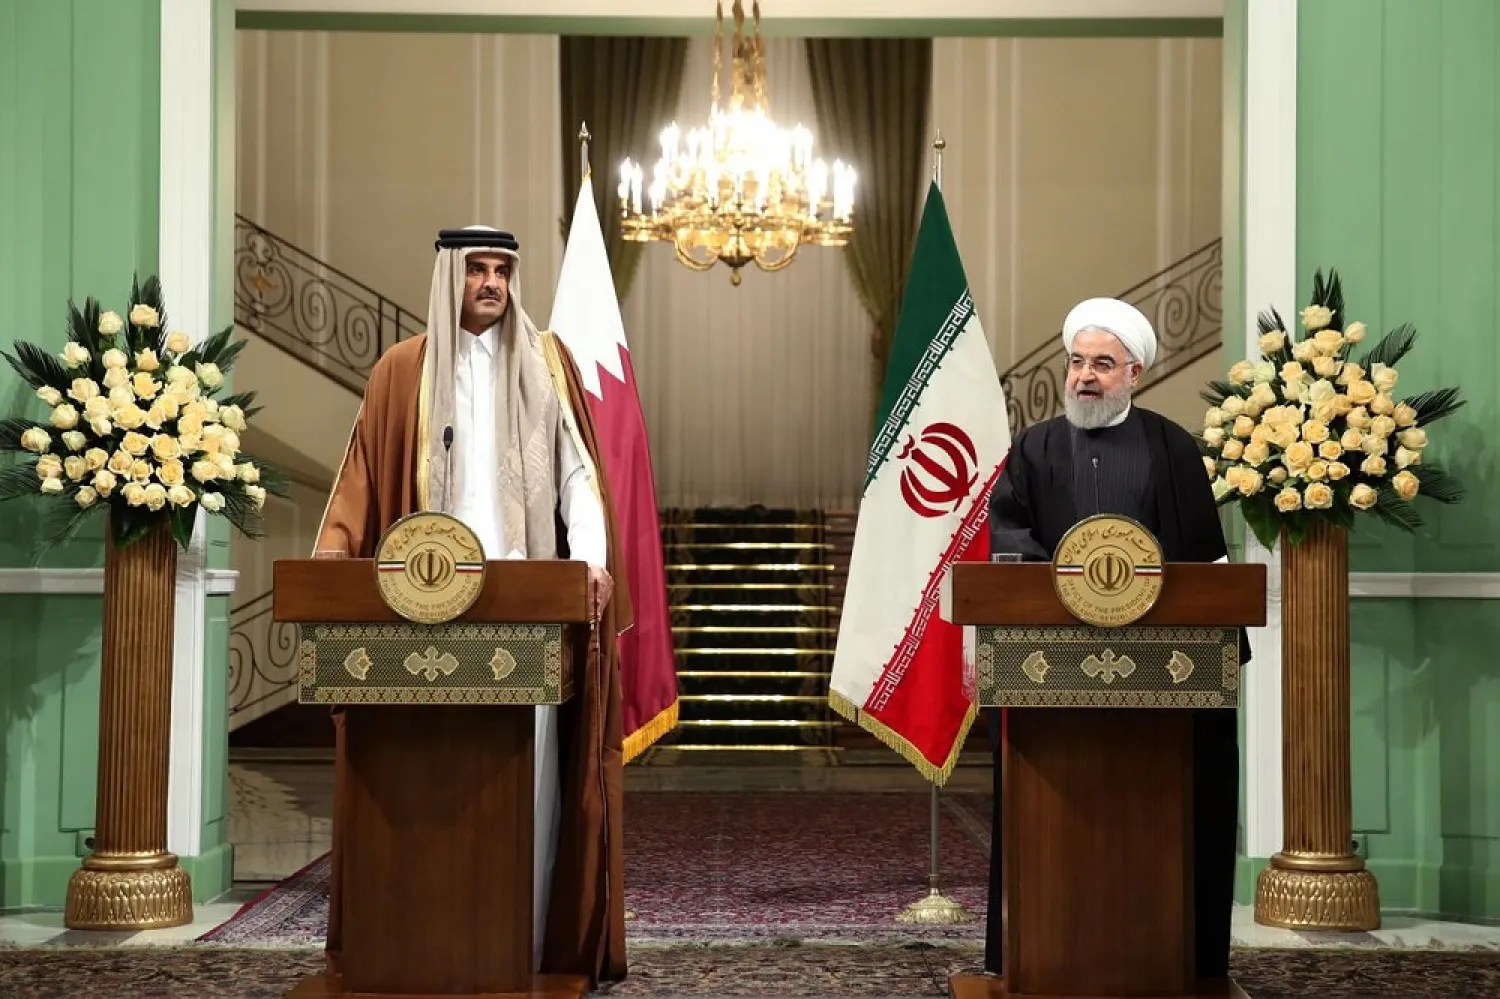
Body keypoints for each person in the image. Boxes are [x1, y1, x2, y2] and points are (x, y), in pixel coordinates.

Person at [314, 225, 631, 988]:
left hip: (527, 606)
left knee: (526, 792)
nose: (490, 282)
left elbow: (579, 476)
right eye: (476, 269)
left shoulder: (546, 362)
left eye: (502, 270)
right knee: (424, 784)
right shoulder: (403, 372)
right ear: (450, 275)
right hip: (423, 605)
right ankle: (422, 943)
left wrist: (589, 559)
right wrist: (332, 556)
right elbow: (358, 479)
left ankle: (517, 948)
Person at [983, 296, 1245, 984]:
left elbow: (1202, 563)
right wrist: (1060, 589)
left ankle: (1175, 957)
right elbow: (1008, 540)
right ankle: (1038, 955)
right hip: (1053, 669)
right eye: (1076, 362)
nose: (1085, 377)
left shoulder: (1173, 446)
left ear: (1134, 374)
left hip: (1161, 671)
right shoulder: (1034, 446)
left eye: (1103, 364)